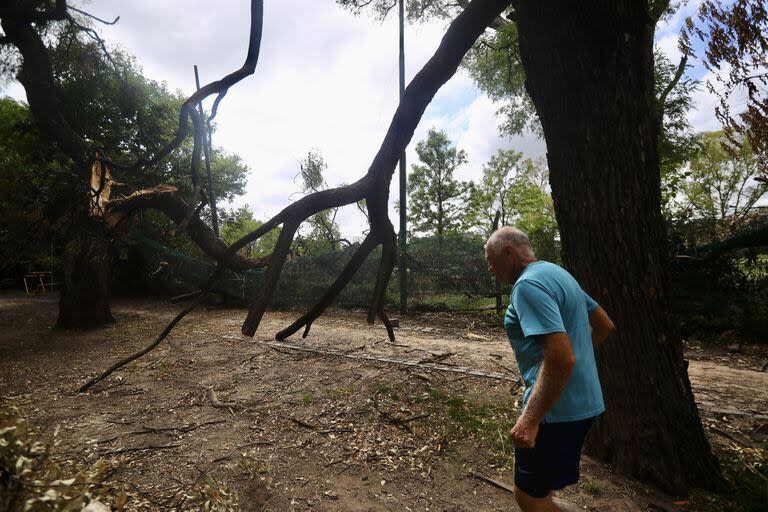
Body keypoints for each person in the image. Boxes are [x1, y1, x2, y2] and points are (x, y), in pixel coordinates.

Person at [484, 226, 615, 512]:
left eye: (491, 261)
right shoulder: (558, 274)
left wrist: (530, 420)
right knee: (542, 489)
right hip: (586, 403)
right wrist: (576, 360)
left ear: (509, 253)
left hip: (556, 412)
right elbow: (604, 324)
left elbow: (560, 357)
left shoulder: (527, 285)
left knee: (528, 495)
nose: (491, 269)